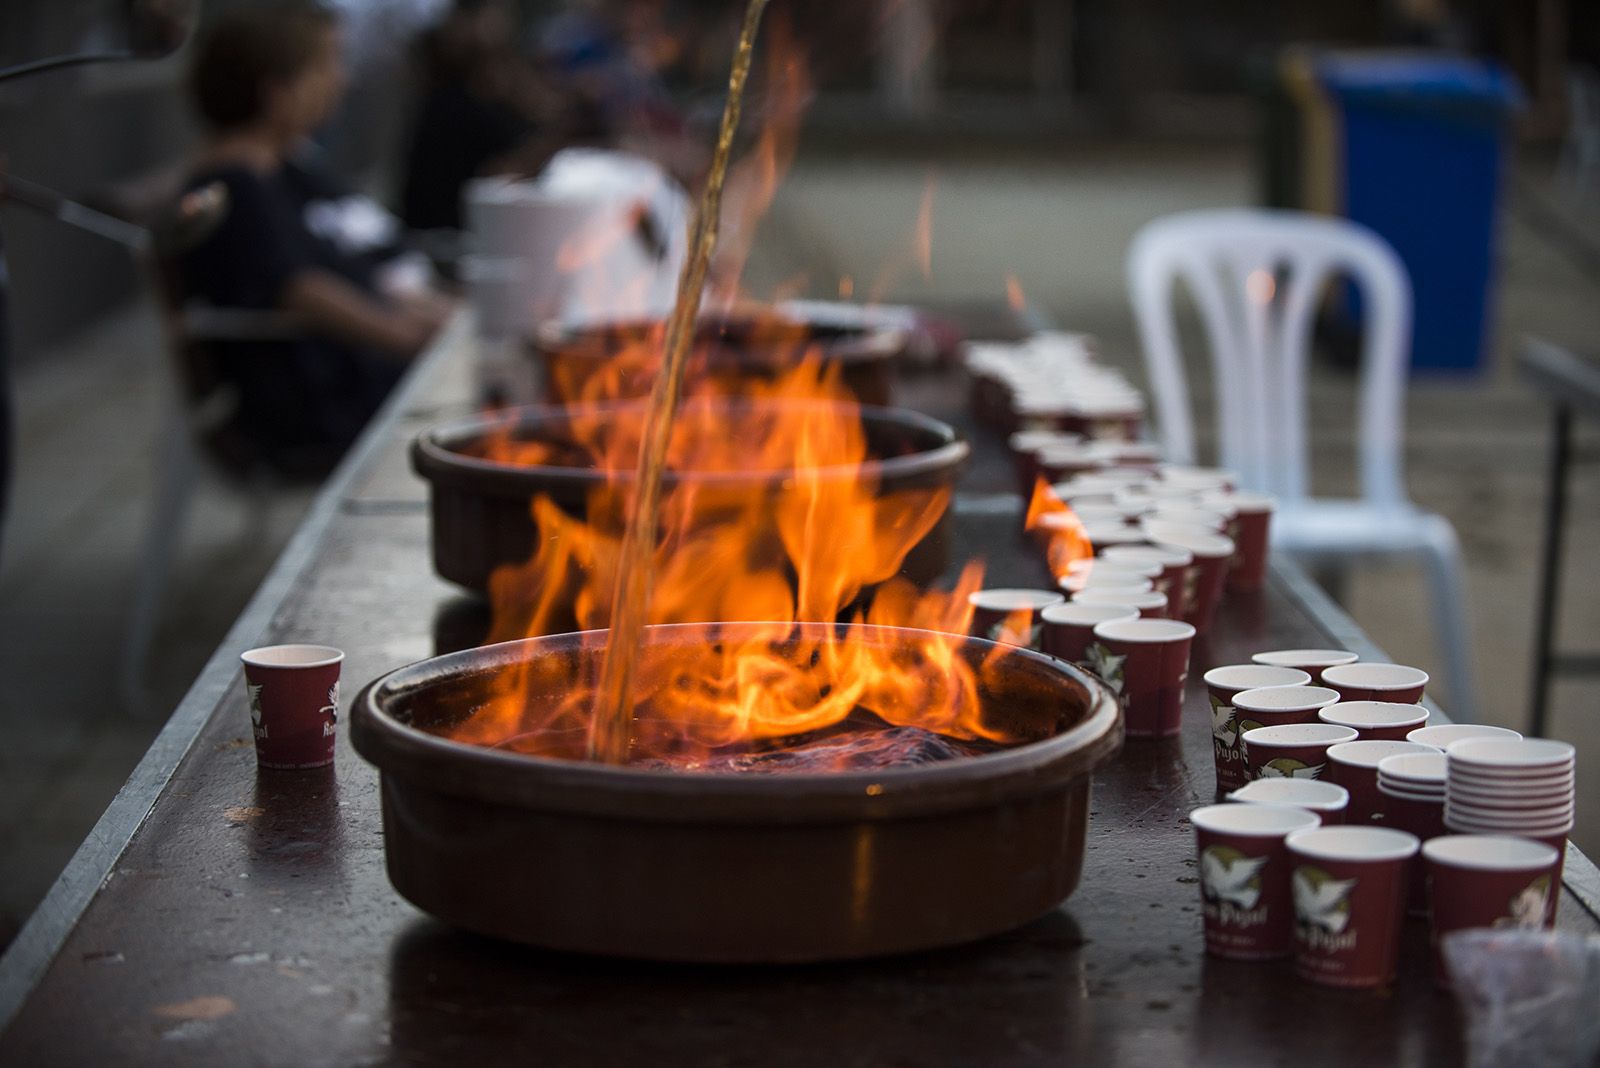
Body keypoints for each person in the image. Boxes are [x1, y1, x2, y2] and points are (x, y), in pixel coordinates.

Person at [179, 1, 452, 477]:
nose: (340, 80)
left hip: (342, 378)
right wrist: (409, 337)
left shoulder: (279, 166)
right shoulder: (237, 184)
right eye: (325, 64)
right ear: (275, 91)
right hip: (315, 404)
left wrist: (433, 313)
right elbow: (301, 288)